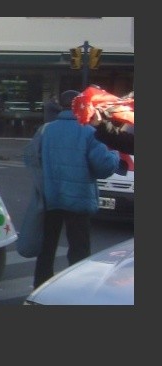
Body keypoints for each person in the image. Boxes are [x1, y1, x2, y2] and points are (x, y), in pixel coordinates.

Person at [32, 89, 120, 289]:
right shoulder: (89, 131)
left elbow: (33, 158)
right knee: (79, 250)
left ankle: (41, 287)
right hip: (79, 199)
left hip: (51, 196)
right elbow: (105, 166)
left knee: (47, 248)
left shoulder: (47, 130)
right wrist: (114, 152)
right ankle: (78, 289)